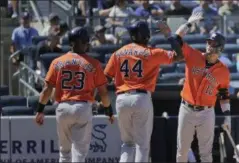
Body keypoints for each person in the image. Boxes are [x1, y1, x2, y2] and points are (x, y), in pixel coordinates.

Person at [104, 20, 183, 162]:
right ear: (146, 35)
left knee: (127, 143)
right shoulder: (151, 53)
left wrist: (103, 103)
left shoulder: (118, 53)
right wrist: (169, 35)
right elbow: (179, 55)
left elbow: (105, 79)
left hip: (121, 99)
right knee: (142, 144)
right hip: (140, 97)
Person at [34, 26, 114, 162]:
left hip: (62, 108)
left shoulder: (57, 62)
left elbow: (47, 89)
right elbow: (104, 93)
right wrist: (108, 110)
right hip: (82, 107)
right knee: (79, 153)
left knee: (64, 153)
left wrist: (40, 110)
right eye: (85, 42)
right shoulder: (93, 64)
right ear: (84, 43)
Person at [170, 12, 232, 162]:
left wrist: (227, 117)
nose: (210, 46)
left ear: (220, 49)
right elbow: (175, 40)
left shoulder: (223, 71)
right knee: (182, 150)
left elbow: (223, 94)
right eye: (209, 42)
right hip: (186, 109)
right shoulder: (193, 55)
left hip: (207, 113)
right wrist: (188, 24)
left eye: (213, 44)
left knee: (206, 153)